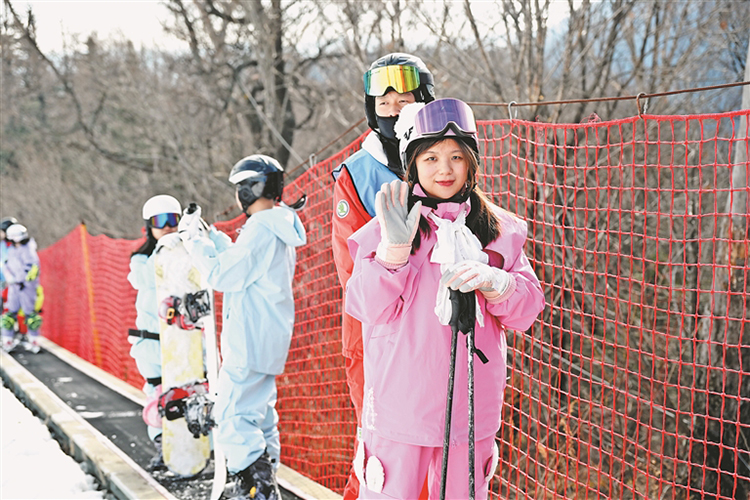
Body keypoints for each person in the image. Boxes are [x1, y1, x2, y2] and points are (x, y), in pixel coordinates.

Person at [345, 98, 546, 499]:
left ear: (472, 162)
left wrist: (498, 283)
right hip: (401, 406)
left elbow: (526, 310)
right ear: (413, 164)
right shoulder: (389, 225)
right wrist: (392, 253)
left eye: (456, 157)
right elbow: (365, 306)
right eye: (431, 158)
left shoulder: (498, 230)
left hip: (471, 409)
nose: (445, 170)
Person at [331, 52, 435, 499]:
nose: (393, 110)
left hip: (436, 328)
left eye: (404, 99)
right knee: (381, 451)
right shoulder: (357, 173)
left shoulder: (445, 159)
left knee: (438, 446)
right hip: (378, 331)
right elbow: (350, 268)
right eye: (384, 102)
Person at [178, 154, 306, 500]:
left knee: (234, 415)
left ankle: (255, 490)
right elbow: (246, 263)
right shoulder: (276, 226)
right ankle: (265, 483)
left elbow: (224, 274)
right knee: (259, 413)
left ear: (251, 189)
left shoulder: (262, 227)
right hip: (268, 336)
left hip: (248, 338)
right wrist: (215, 239)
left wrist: (193, 240)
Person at [127, 194, 182, 470]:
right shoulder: (142, 260)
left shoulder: (187, 254)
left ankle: (191, 447)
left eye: (173, 220)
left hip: (183, 339)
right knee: (158, 393)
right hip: (151, 342)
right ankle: (163, 445)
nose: (168, 227)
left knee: (187, 392)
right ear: (150, 226)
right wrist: (163, 249)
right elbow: (145, 279)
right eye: (160, 222)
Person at [1, 223, 43, 353]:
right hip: (13, 286)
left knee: (30, 314)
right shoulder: (12, 250)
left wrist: (22, 279)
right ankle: (7, 341)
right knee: (9, 314)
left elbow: (32, 268)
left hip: (26, 287)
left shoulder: (28, 249)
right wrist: (9, 276)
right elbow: (6, 264)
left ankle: (34, 341)